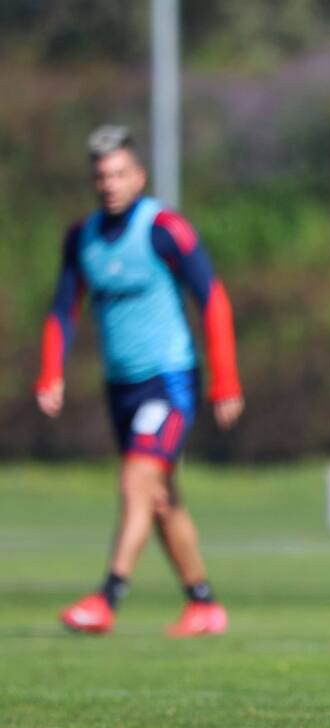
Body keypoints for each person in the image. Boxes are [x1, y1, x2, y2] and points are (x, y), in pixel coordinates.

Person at [35, 125, 244, 638]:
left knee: (136, 482)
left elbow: (212, 299)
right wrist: (51, 372)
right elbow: (63, 310)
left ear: (139, 176)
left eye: (120, 173)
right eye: (102, 175)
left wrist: (225, 381)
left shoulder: (164, 229)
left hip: (169, 380)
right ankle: (204, 605)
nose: (110, 184)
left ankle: (107, 598)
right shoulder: (81, 237)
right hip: (120, 388)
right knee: (159, 497)